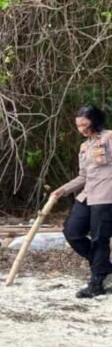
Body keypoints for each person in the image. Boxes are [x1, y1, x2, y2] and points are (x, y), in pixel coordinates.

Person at [52, 104, 112, 299]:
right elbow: (83, 176)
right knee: (72, 231)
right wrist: (62, 190)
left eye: (84, 124)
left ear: (95, 121)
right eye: (78, 125)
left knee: (99, 238)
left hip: (106, 196)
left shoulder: (109, 138)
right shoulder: (84, 147)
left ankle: (97, 283)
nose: (81, 129)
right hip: (87, 195)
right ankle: (103, 267)